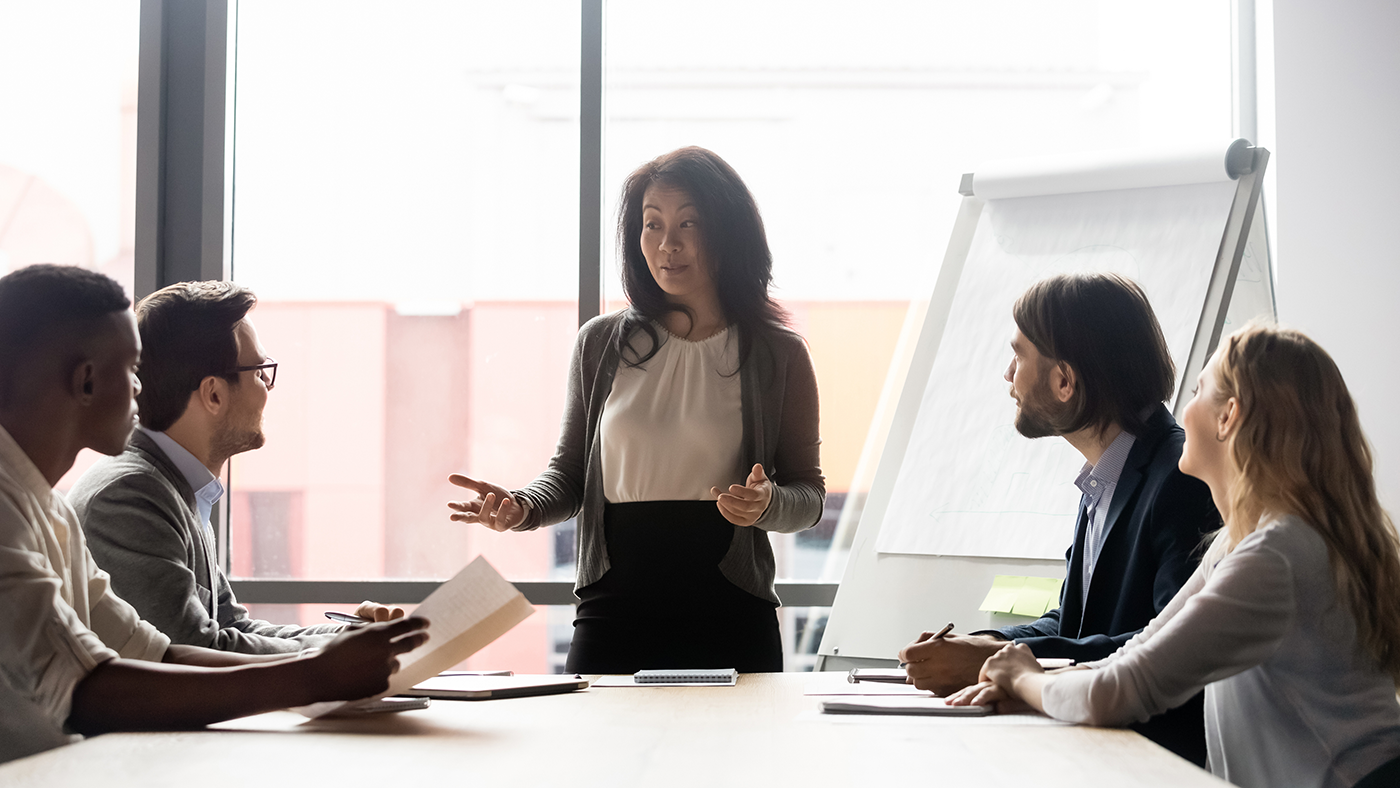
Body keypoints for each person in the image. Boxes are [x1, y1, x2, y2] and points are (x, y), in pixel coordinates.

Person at [0, 265, 427, 764]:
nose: (143, 389)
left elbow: (153, 652)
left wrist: (331, 657)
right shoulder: (59, 501)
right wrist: (312, 676)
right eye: (132, 370)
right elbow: (87, 689)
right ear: (88, 380)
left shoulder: (49, 509)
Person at [951, 321, 1400, 788]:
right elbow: (1137, 651)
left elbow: (1124, 690)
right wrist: (1036, 689)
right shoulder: (1241, 542)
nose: (1181, 414)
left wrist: (1023, 676)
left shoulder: (1276, 555)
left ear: (1229, 416)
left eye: (1196, 392)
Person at [447, 146, 823, 673]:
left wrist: (766, 506)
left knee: (738, 757)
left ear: (729, 232)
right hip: (613, 611)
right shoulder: (599, 344)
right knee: (597, 756)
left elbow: (808, 496)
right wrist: (522, 507)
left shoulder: (778, 354)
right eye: (652, 225)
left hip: (732, 612)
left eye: (688, 223)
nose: (668, 244)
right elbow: (569, 474)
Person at [898, 273, 1218, 765]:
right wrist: (991, 642)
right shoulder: (1107, 474)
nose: (1008, 374)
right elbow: (1075, 622)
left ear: (1064, 381)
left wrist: (994, 663)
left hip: (1153, 762)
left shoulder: (1180, 477)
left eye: (1020, 354)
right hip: (1097, 745)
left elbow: (1170, 646)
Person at [68, 281, 401, 654]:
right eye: (259, 371)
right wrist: (332, 655)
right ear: (214, 394)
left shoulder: (174, 486)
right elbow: (196, 649)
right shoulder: (129, 497)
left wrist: (345, 639)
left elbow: (230, 627)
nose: (267, 388)